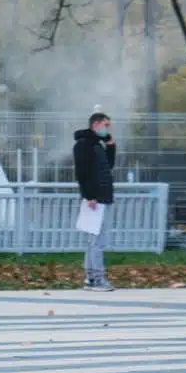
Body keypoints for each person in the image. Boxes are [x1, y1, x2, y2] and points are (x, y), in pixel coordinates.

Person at [73, 112, 116, 291]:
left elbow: (108, 166)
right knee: (97, 241)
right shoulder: (84, 145)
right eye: (106, 125)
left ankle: (91, 278)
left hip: (101, 196)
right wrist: (89, 195)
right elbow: (82, 172)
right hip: (95, 197)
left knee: (95, 240)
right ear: (96, 124)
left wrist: (111, 147)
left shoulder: (97, 144)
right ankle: (96, 279)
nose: (108, 129)